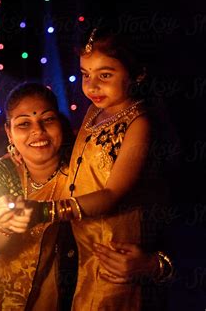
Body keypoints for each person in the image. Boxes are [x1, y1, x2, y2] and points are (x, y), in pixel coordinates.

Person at [0, 82, 167, 310]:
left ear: (60, 122)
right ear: (9, 132)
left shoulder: (82, 166)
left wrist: (155, 264)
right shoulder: (3, 172)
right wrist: (5, 225)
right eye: (24, 124)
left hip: (81, 294)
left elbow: (129, 209)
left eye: (47, 119)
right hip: (12, 300)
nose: (37, 131)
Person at [28, 26, 174, 310]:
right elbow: (85, 156)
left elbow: (110, 194)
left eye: (105, 75)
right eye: (85, 74)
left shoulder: (139, 124)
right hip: (86, 251)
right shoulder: (96, 110)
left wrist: (48, 211)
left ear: (137, 73)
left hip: (116, 257)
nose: (91, 86)